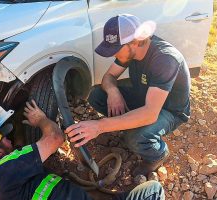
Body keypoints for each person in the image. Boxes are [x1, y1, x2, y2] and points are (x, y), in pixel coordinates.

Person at [65, 14, 191, 177]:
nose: (113, 54)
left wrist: (100, 126)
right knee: (97, 94)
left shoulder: (165, 59)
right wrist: (113, 92)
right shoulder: (132, 51)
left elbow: (150, 114)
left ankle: (158, 154)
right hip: (145, 98)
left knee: (134, 137)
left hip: (168, 111)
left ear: (136, 41)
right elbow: (108, 78)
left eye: (116, 49)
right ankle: (130, 122)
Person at [0, 100, 165, 200]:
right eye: (5, 140)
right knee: (153, 190)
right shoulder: (5, 167)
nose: (10, 141)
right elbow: (55, 138)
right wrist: (41, 120)